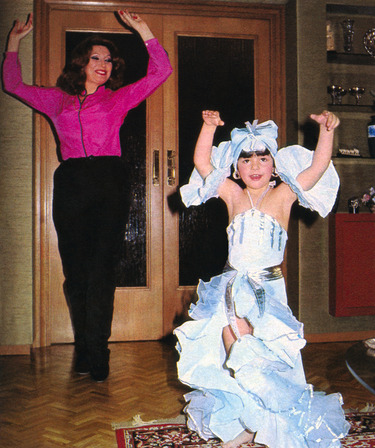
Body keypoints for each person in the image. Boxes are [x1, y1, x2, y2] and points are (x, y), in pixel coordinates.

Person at [3, 10, 172, 382]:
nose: (104, 65)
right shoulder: (57, 100)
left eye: (109, 60)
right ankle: (83, 347)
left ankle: (98, 353)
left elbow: (161, 71)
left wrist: (143, 30)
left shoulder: (118, 99)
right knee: (75, 273)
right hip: (71, 181)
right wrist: (14, 41)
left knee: (102, 270)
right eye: (96, 57)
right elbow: (13, 84)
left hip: (108, 180)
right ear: (81, 62)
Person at [174, 110, 350, 447]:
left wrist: (326, 132)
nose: (255, 166)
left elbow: (317, 167)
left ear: (275, 164)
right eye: (246, 160)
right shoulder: (233, 195)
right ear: (236, 168)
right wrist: (209, 128)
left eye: (263, 158)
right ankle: (248, 421)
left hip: (267, 291)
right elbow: (202, 163)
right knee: (232, 340)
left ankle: (270, 423)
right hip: (231, 287)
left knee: (267, 355)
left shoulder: (283, 195)